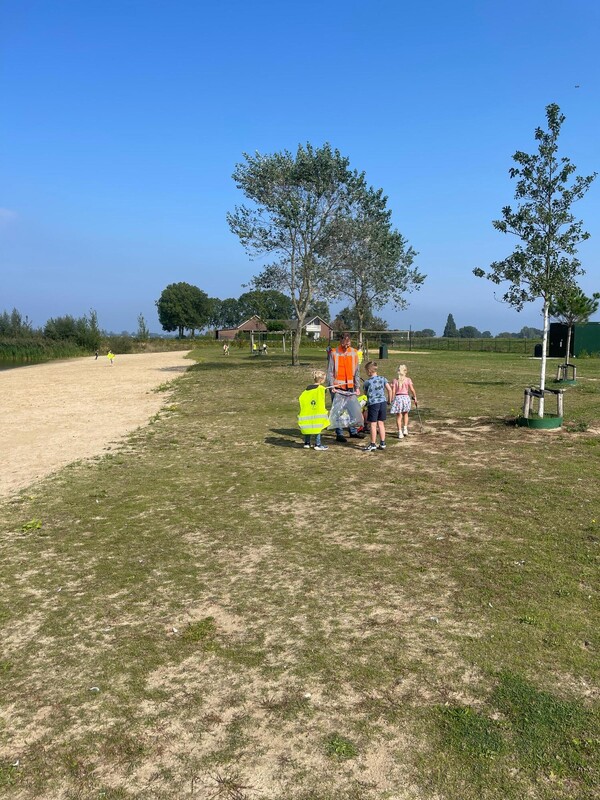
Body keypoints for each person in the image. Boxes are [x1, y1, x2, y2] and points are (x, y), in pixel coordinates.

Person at [326, 332, 365, 442]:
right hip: (337, 387)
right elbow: (330, 371)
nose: (346, 346)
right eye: (344, 344)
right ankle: (339, 433)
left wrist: (357, 387)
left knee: (351, 410)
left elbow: (357, 372)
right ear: (341, 341)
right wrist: (331, 385)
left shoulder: (354, 353)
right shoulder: (334, 353)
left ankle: (353, 431)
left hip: (350, 387)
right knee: (338, 411)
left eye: (348, 344)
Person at [362, 360, 393, 451]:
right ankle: (382, 443)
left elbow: (365, 395)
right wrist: (389, 401)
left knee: (373, 424)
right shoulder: (383, 378)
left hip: (373, 404)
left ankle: (373, 443)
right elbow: (390, 390)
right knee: (381, 423)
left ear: (369, 371)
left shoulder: (367, 382)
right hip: (382, 403)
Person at [297, 369, 329, 451]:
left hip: (308, 412)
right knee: (317, 428)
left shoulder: (307, 389)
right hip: (317, 412)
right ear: (321, 380)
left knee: (308, 428)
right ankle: (318, 444)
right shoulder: (321, 389)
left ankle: (307, 443)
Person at [390, 364, 418, 438]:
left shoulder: (395, 380)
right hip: (405, 398)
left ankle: (400, 432)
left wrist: (392, 399)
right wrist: (415, 397)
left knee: (399, 416)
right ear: (405, 371)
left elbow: (393, 391)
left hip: (398, 398)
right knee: (405, 414)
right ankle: (405, 428)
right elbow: (412, 389)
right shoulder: (408, 380)